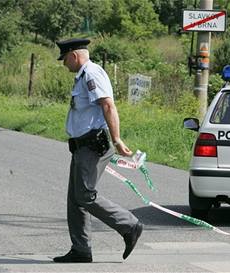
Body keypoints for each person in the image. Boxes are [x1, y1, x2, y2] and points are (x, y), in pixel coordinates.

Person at [53, 38, 143, 263]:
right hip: (81, 145)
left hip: (92, 145)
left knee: (84, 195)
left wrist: (117, 139)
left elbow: (108, 105)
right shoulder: (82, 75)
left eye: (64, 59)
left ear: (73, 55)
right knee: (76, 198)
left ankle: (129, 225)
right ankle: (81, 249)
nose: (64, 64)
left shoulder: (91, 74)